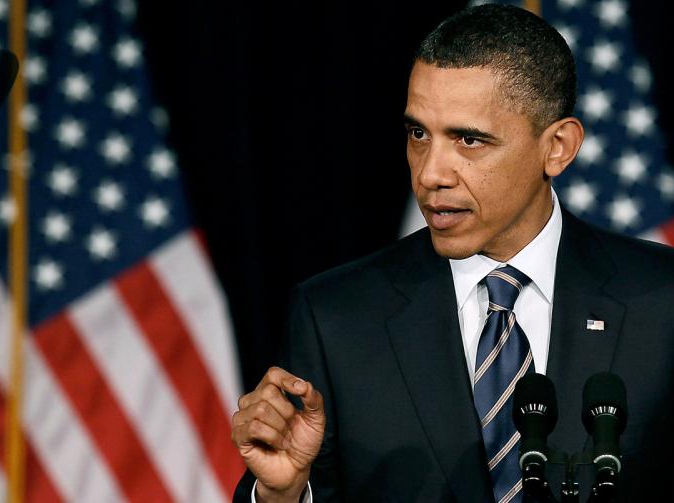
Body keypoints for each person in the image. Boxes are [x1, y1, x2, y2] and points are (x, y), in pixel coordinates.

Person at [231, 4, 674, 502]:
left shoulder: (662, 303)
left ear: (558, 147)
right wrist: (283, 495)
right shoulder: (336, 318)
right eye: (419, 134)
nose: (430, 174)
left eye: (468, 139)